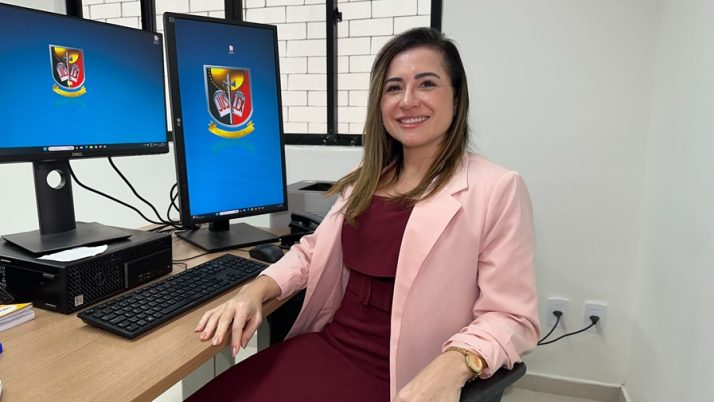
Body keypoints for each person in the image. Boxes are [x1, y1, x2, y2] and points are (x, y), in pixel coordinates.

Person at [189, 27, 540, 402]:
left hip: (406, 376)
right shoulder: (366, 180)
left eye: (426, 84)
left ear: (456, 97)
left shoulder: (496, 188)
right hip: (329, 347)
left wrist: (455, 364)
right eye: (393, 88)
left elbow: (512, 317)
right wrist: (255, 290)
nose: (407, 100)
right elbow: (312, 252)